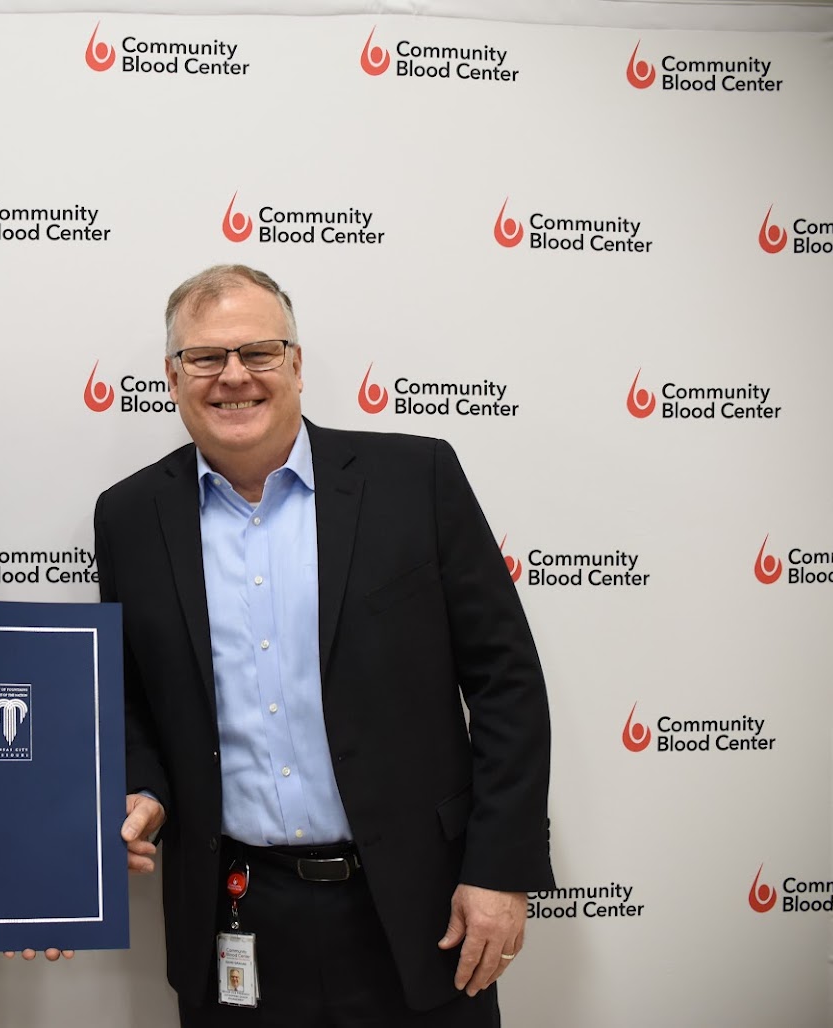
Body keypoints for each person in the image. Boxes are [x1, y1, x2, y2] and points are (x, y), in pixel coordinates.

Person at [95, 265, 554, 1027]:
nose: (233, 376)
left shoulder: (415, 478)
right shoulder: (128, 516)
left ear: (296, 364)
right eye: (205, 357)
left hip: (421, 907)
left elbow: (505, 681)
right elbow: (130, 698)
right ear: (172, 378)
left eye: (258, 352)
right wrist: (143, 789)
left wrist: (500, 869)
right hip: (233, 912)